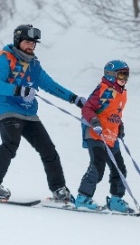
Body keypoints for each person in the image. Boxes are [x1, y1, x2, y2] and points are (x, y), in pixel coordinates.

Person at [0, 24, 86, 202]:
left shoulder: (34, 64)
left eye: (33, 43)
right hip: (7, 109)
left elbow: (51, 85)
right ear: (17, 41)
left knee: (48, 149)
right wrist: (18, 90)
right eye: (27, 42)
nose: (30, 46)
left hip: (29, 114)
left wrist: (74, 98)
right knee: (11, 144)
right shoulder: (5, 58)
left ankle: (59, 189)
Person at [75, 60, 134, 213]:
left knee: (120, 169)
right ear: (111, 75)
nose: (124, 79)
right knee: (98, 165)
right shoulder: (103, 90)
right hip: (96, 134)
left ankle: (116, 199)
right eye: (121, 75)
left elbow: (115, 113)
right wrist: (94, 121)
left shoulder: (122, 93)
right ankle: (83, 197)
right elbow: (87, 108)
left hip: (111, 136)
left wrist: (119, 126)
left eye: (127, 75)